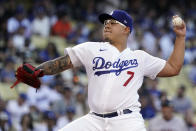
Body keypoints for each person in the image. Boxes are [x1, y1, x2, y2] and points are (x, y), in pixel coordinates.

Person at [28, 9, 186, 130]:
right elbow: (62, 63)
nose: (107, 25)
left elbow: (173, 68)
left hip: (127, 121)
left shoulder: (139, 57)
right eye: (106, 22)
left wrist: (180, 38)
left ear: (126, 30)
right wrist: (37, 71)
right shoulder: (91, 49)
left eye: (113, 22)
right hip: (94, 120)